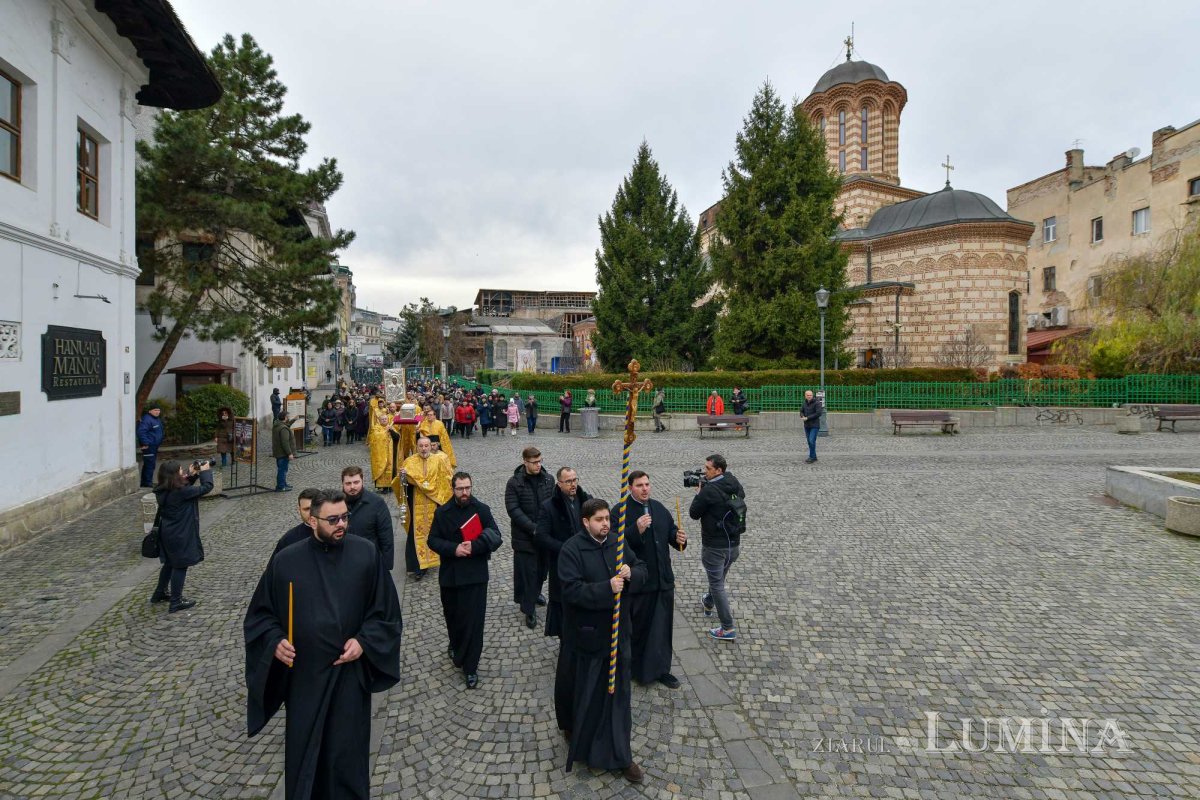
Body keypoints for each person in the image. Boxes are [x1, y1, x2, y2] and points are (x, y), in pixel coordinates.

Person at [244, 490, 402, 800]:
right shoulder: (287, 561)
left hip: (348, 678)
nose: (341, 524)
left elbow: (385, 614)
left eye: (345, 517)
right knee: (307, 756)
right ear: (312, 520)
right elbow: (260, 616)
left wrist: (364, 642)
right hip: (305, 679)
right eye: (333, 519)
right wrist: (275, 642)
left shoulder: (365, 554)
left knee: (347, 755)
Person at [557, 498, 647, 783]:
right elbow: (571, 591)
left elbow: (642, 568)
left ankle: (621, 755)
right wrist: (606, 588)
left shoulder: (618, 544)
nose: (606, 524)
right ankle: (584, 744)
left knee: (619, 697)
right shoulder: (571, 550)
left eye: (608, 518)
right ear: (586, 522)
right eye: (599, 519)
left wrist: (632, 573)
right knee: (589, 696)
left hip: (618, 636)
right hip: (587, 638)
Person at [427, 472, 502, 689]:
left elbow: (496, 536)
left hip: (475, 575)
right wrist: (454, 549)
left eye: (467, 488)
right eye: (460, 489)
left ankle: (471, 666)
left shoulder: (481, 509)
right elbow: (432, 540)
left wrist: (474, 546)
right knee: (454, 618)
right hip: (450, 576)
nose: (464, 492)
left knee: (474, 622)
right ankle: (456, 645)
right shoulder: (442, 512)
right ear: (453, 489)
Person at [616, 470, 685, 687]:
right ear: (630, 488)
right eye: (639, 485)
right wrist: (635, 530)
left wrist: (677, 537)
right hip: (639, 583)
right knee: (638, 629)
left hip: (663, 580)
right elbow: (615, 545)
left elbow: (671, 532)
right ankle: (634, 669)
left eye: (647, 484)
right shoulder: (620, 511)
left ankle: (661, 669)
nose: (645, 488)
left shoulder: (659, 508)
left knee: (662, 629)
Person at [689, 454, 746, 641]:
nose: (705, 471)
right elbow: (741, 495)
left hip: (714, 547)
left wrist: (700, 494)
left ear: (718, 470)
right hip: (733, 545)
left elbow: (693, 513)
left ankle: (727, 628)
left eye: (708, 468)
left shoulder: (709, 491)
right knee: (718, 578)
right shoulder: (733, 480)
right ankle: (708, 601)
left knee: (717, 584)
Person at [150, 459, 214, 613]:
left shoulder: (163, 489)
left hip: (168, 532)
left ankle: (160, 593)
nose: (182, 472)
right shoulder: (180, 492)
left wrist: (191, 476)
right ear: (174, 476)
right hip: (180, 533)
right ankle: (176, 601)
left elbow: (182, 489)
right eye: (180, 471)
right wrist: (205, 471)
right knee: (180, 565)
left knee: (170, 563)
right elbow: (207, 487)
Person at [535, 467, 591, 637]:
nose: (573, 484)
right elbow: (541, 537)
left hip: (586, 560)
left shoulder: (587, 501)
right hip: (562, 563)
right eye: (568, 481)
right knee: (564, 604)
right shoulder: (549, 506)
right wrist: (564, 549)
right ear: (559, 484)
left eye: (575, 480)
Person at [505, 446, 553, 629]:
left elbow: (552, 504)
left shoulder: (548, 479)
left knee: (542, 570)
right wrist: (533, 528)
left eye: (540, 461)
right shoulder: (514, 483)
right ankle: (528, 608)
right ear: (525, 462)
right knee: (528, 573)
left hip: (544, 537)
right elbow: (513, 509)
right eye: (534, 462)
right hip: (524, 537)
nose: (538, 465)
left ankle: (536, 593)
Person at [397, 435, 453, 581]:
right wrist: (403, 477)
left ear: (431, 446)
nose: (423, 449)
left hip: (434, 505)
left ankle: (440, 559)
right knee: (416, 535)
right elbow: (402, 483)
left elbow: (446, 480)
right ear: (417, 447)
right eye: (421, 446)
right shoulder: (409, 462)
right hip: (416, 506)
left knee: (437, 532)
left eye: (426, 446)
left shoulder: (438, 460)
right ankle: (419, 567)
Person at [343, 466, 395, 571]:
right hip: (344, 563)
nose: (352, 487)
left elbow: (386, 537)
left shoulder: (377, 503)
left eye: (356, 482)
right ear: (343, 484)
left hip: (370, 563)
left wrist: (386, 567)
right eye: (348, 483)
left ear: (362, 481)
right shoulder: (336, 504)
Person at [271, 487, 323, 558]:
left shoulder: (336, 534)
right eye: (307, 509)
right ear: (299, 510)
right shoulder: (288, 539)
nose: (311, 513)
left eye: (315, 508)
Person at [367, 394, 393, 491]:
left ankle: (390, 486)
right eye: (382, 419)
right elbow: (376, 437)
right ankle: (382, 486)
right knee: (382, 467)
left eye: (386, 419)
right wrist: (385, 431)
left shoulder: (391, 427)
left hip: (390, 451)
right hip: (380, 453)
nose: (384, 420)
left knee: (390, 467)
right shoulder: (376, 428)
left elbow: (397, 436)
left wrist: (391, 431)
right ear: (379, 420)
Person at [417, 404, 456, 469]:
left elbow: (444, 437)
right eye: (428, 415)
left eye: (431, 415)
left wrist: (439, 445)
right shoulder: (423, 424)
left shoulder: (439, 424)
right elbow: (420, 436)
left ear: (434, 416)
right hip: (427, 446)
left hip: (437, 446)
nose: (429, 416)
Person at [136, 403, 165, 487]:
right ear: (150, 411)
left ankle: (145, 482)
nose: (157, 412)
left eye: (158, 410)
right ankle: (147, 483)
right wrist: (146, 443)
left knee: (149, 464)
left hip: (154, 446)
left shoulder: (156, 419)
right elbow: (141, 432)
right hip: (149, 447)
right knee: (150, 465)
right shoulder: (147, 419)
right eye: (155, 410)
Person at [271, 410, 297, 492]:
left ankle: (283, 484)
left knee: (282, 469)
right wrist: (289, 453)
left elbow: (287, 425)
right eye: (288, 417)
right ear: (285, 418)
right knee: (282, 470)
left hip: (279, 452)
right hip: (283, 453)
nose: (288, 418)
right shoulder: (283, 429)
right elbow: (285, 442)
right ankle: (281, 486)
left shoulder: (278, 425)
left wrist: (294, 419)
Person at [801, 389, 822, 464]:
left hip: (815, 425)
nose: (809, 396)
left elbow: (818, 413)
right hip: (807, 425)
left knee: (811, 440)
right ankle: (814, 456)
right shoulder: (804, 403)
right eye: (808, 395)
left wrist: (807, 418)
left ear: (812, 395)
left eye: (810, 395)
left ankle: (811, 457)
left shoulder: (817, 403)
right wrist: (802, 416)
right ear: (805, 396)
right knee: (810, 442)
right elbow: (801, 411)